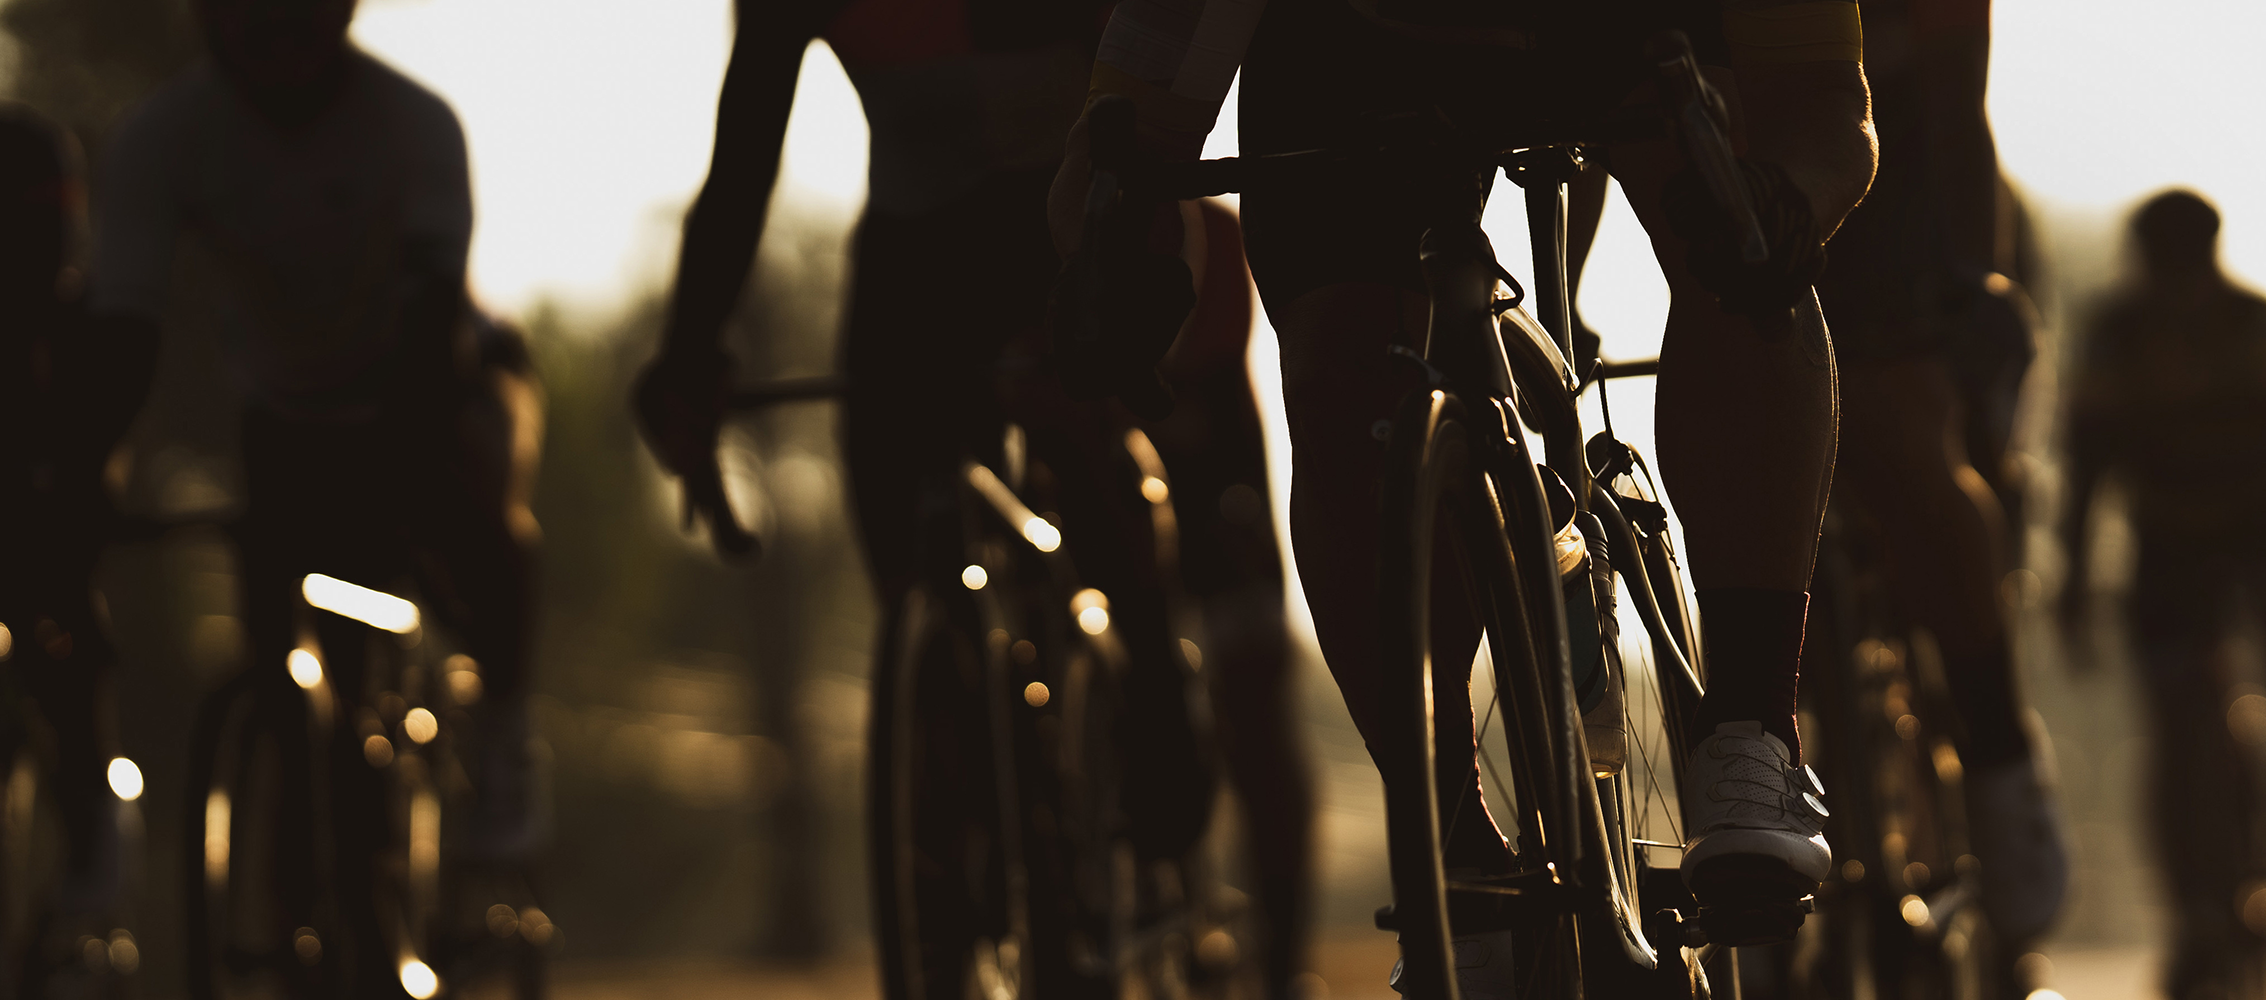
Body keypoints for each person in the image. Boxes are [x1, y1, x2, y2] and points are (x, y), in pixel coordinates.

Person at [1051, 0, 1876, 985]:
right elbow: (1112, 155)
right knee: (1337, 373)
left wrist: (1785, 209)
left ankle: (1751, 732)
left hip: (1616, 34)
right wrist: (1109, 264)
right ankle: (1451, 844)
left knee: (1746, 252)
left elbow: (1826, 111)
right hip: (1355, 48)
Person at [626, 1, 1306, 997]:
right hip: (917, 259)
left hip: (1070, 218)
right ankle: (967, 786)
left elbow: (1139, 98)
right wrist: (689, 354)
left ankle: (1156, 697)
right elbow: (741, 168)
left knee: (1092, 447)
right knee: (909, 557)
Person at [78, 0, 539, 980]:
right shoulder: (165, 139)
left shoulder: (413, 126)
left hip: (427, 378)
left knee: (478, 485)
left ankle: (503, 744)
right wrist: (81, 477)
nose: (273, 38)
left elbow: (428, 340)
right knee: (293, 691)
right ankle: (318, 901)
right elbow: (125, 335)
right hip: (286, 411)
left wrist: (421, 502)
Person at [1806, 0, 2065, 982]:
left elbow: (1959, 108)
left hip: (1915, 201)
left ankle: (1997, 745)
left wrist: (1969, 280)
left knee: (1914, 440)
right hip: (1748, 190)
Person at [2055, 189, 2266, 1000]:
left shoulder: (2257, 326)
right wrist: (2075, 579)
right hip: (2170, 546)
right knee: (2174, 720)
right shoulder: (2115, 335)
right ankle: (2193, 910)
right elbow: (2085, 463)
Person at [1, 101, 138, 981]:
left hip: (39, 508)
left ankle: (91, 817)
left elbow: (97, 462)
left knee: (61, 614)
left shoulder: (80, 325)